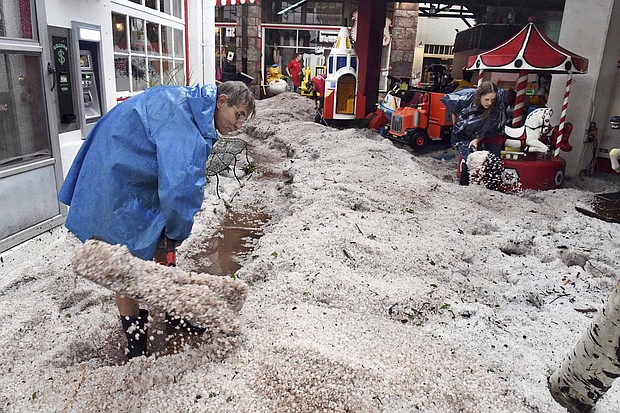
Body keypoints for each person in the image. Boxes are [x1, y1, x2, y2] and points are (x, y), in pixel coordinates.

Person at [58, 81, 256, 359]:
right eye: (239, 115)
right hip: (117, 174)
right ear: (222, 101)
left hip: (124, 160)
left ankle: (174, 312)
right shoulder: (186, 124)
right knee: (126, 259)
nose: (239, 125)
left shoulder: (192, 106)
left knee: (156, 239)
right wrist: (176, 232)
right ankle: (135, 344)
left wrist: (168, 235)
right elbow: (181, 189)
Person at [441, 81, 508, 185]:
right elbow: (455, 115)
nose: (489, 103)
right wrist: (459, 128)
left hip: (492, 134)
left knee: (493, 161)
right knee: (467, 159)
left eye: (492, 100)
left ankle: (491, 186)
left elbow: (491, 127)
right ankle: (465, 185)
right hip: (468, 134)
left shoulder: (497, 107)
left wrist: (477, 139)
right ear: (479, 96)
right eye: (486, 99)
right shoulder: (464, 100)